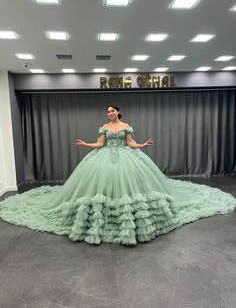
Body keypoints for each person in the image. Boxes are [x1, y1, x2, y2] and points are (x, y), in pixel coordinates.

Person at [0, 105, 235, 245]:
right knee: (100, 187)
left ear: (119, 112)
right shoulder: (104, 127)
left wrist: (142, 145)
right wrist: (84, 144)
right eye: (108, 111)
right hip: (104, 159)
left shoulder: (126, 126)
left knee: (132, 187)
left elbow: (131, 143)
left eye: (113, 110)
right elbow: (100, 144)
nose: (110, 113)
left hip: (128, 159)